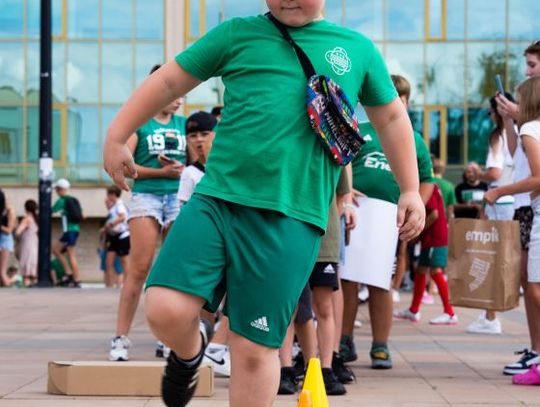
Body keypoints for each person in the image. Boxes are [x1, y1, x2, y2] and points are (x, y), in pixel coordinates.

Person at [103, 2, 425, 405]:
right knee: (164, 307)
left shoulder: (356, 49)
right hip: (218, 200)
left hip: (292, 218)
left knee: (254, 349)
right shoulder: (236, 34)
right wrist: (117, 135)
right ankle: (189, 354)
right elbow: (169, 81)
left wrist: (410, 189)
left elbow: (391, 118)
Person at [340, 74, 434, 369]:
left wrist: (415, 210)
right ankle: (344, 340)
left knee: (381, 282)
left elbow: (427, 180)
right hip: (357, 212)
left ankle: (380, 345)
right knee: (347, 280)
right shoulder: (359, 129)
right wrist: (345, 192)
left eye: (400, 99)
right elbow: (341, 164)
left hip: (387, 218)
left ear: (406, 103)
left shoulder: (413, 139)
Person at [108, 64, 187, 362]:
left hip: (178, 198)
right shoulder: (140, 125)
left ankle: (168, 339)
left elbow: (198, 161)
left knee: (172, 272)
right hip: (147, 198)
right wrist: (161, 172)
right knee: (139, 269)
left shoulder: (185, 125)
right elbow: (127, 166)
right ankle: (120, 337)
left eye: (182, 94)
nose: (179, 99)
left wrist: (179, 170)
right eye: (174, 93)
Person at [278, 170, 355, 396]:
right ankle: (285, 368)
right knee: (290, 306)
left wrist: (327, 221)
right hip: (291, 236)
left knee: (324, 306)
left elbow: (342, 194)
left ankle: (326, 369)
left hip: (325, 238)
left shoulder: (334, 154)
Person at [484, 76, 540, 385]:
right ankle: (536, 351)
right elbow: (517, 152)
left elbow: (537, 176)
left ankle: (537, 352)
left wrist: (499, 190)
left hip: (530, 207)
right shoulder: (526, 129)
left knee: (532, 284)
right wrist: (508, 121)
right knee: (528, 282)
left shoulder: (531, 128)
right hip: (526, 208)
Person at [466, 94, 516, 335]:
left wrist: (479, 174)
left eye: (491, 111)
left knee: (493, 261)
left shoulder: (498, 135)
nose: (490, 115)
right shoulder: (519, 132)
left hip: (500, 201)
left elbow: (495, 173)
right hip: (515, 200)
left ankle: (490, 317)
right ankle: (489, 315)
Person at [395, 185, 458, 325]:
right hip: (431, 238)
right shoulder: (430, 186)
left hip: (434, 238)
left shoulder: (427, 186)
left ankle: (450, 313)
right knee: (421, 270)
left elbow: (434, 214)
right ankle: (413, 310)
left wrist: (418, 233)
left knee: (435, 271)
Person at [51, 178, 83, 288]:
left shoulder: (62, 200)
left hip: (70, 231)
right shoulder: (73, 199)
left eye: (57, 189)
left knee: (71, 254)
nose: (56, 192)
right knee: (55, 249)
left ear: (61, 189)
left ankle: (77, 279)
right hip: (73, 230)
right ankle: (68, 272)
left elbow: (51, 210)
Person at [103, 186, 130, 289]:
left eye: (108, 195)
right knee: (109, 260)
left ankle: (127, 283)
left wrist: (111, 224)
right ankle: (110, 284)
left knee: (124, 260)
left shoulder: (120, 205)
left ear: (113, 194)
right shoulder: (114, 206)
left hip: (123, 235)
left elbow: (122, 217)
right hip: (114, 236)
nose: (107, 197)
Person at [15, 199, 39, 287]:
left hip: (27, 245)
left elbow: (17, 232)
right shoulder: (36, 219)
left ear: (25, 208)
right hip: (35, 245)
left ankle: (27, 286)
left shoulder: (27, 219)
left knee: (26, 275)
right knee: (34, 273)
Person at [0, 189, 17, 287]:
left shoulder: (10, 211)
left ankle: (12, 282)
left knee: (2, 270)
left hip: (5, 240)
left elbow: (9, 230)